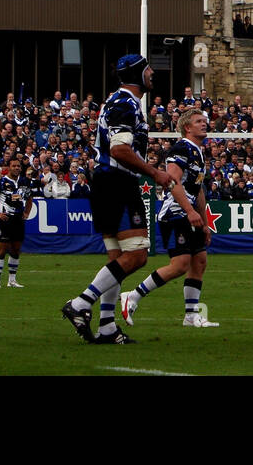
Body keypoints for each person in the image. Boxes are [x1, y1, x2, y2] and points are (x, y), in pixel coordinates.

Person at [61, 55, 171, 345]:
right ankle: (82, 303)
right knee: (137, 255)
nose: (152, 74)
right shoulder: (125, 103)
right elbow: (120, 149)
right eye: (148, 69)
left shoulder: (119, 102)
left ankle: (107, 325)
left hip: (107, 180)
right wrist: (154, 173)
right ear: (137, 73)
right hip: (118, 181)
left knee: (117, 259)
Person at [120, 109, 219, 327]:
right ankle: (133, 295)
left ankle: (191, 315)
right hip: (175, 213)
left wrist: (204, 222)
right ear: (187, 127)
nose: (205, 124)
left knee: (199, 261)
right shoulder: (181, 148)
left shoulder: (199, 152)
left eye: (205, 120)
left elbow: (198, 189)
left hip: (190, 213)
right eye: (199, 121)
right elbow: (173, 181)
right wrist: (189, 211)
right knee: (180, 264)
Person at [0, 157, 36, 288]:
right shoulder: (1, 182)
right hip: (6, 219)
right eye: (14, 166)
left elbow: (29, 198)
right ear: (8, 167)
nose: (16, 168)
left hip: (19, 220)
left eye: (18, 166)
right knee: (2, 249)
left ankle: (12, 280)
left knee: (16, 249)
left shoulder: (25, 181)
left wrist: (26, 213)